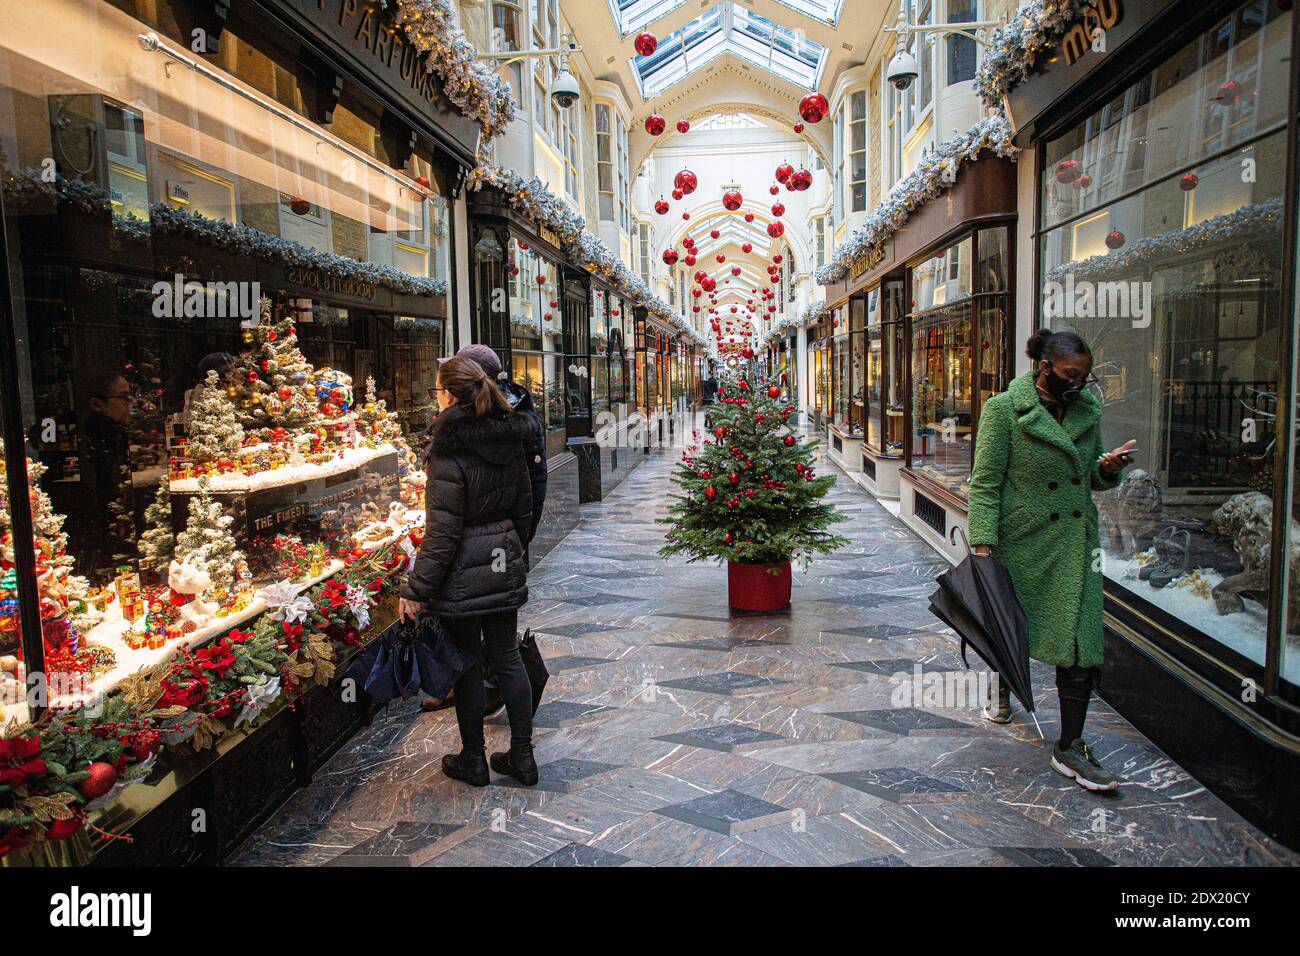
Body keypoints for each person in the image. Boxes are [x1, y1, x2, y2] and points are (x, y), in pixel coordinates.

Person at [966, 329, 1135, 793]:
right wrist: (982, 547)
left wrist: (1106, 469)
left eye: (1085, 375)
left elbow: (1089, 481)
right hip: (1023, 543)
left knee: (1080, 641)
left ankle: (1071, 745)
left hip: (1076, 545)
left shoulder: (1087, 410)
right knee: (1010, 626)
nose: (1079, 384)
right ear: (1044, 367)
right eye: (1070, 375)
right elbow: (984, 484)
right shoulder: (1004, 411)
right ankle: (1003, 685)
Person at [398, 356, 538, 787]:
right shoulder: (510, 433)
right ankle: (523, 757)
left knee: (468, 664)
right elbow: (524, 505)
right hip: (502, 563)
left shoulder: (447, 448)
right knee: (508, 657)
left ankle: (474, 759)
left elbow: (442, 532)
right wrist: (511, 546)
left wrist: (416, 588)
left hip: (461, 574)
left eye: (435, 389)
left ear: (448, 394)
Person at [420, 343, 546, 716]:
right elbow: (524, 490)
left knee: (477, 655)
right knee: (502, 651)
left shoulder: (492, 424)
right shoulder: (504, 421)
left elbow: (532, 484)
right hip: (500, 546)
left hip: (477, 552)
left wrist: (523, 540)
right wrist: (516, 538)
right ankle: (522, 753)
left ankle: (475, 749)